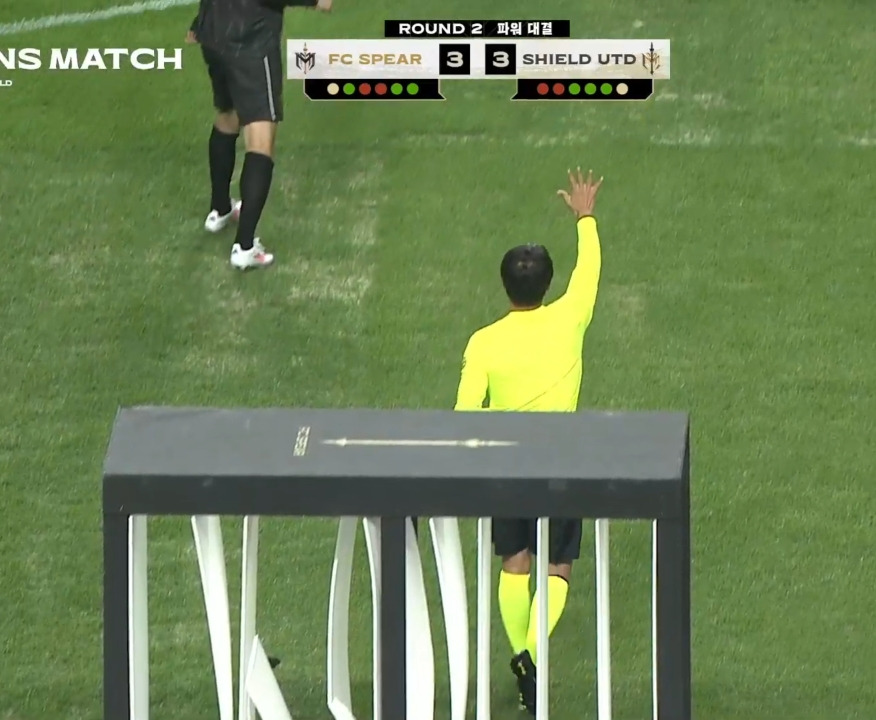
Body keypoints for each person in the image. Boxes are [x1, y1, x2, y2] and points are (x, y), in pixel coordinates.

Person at [454, 168, 604, 715]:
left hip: (506, 466)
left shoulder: (484, 343)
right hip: (562, 461)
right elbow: (589, 272)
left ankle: (521, 655)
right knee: (557, 566)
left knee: (515, 561)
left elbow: (463, 416)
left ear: (505, 286)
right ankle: (532, 657)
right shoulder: (569, 318)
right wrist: (585, 218)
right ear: (547, 284)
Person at [186, 0, 332, 270]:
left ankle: (220, 209)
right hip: (249, 42)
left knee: (228, 115)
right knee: (261, 138)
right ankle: (245, 247)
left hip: (214, 32)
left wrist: (200, 21)